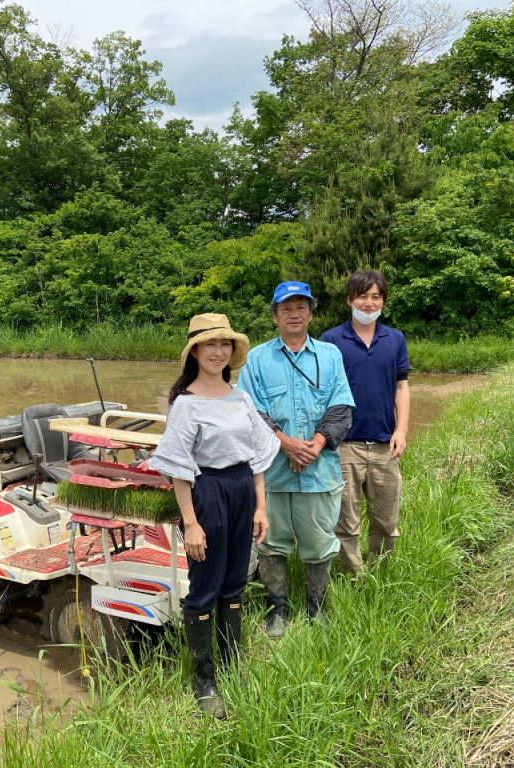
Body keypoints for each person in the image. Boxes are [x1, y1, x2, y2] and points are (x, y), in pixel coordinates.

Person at [148, 313, 278, 719]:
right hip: (208, 492)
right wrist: (191, 522)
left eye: (224, 345)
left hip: (242, 489)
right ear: (195, 352)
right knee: (206, 583)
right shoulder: (185, 404)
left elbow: (257, 455)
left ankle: (232, 663)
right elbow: (179, 468)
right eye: (209, 345)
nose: (218, 352)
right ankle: (204, 679)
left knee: (235, 580)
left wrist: (260, 506)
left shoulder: (239, 396)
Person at [237, 281, 354, 637]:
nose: (294, 313)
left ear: (310, 312)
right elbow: (250, 412)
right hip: (273, 474)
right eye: (286, 308)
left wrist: (315, 445)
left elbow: (341, 406)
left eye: (301, 306)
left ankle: (317, 608)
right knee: (271, 544)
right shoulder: (256, 359)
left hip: (319, 473)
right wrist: (286, 444)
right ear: (274, 315)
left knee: (319, 544)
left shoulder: (331, 355)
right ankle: (278, 610)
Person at [321, 270, 410, 576]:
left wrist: (402, 429)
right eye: (363, 296)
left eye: (376, 297)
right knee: (345, 521)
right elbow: (322, 392)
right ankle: (355, 578)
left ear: (383, 301)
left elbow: (402, 386)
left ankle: (381, 574)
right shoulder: (331, 341)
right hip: (344, 445)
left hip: (385, 443)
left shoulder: (395, 339)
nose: (369, 303)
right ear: (350, 299)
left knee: (386, 519)